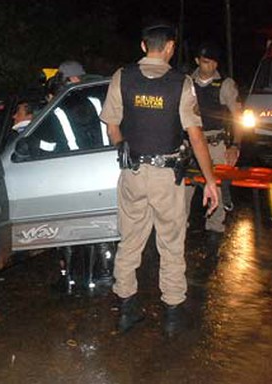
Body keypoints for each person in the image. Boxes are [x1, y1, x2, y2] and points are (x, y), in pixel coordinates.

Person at [100, 22, 219, 337]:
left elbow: (112, 127)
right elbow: (195, 136)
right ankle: (172, 317)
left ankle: (126, 311)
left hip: (132, 174)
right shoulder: (181, 84)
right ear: (170, 47)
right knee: (170, 243)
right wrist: (211, 180)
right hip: (167, 177)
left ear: (143, 46)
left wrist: (123, 147)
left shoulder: (121, 77)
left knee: (129, 242)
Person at [186, 42, 242, 245]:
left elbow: (238, 116)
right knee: (184, 189)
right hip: (190, 143)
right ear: (197, 61)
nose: (210, 66)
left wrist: (235, 145)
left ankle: (215, 233)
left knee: (217, 188)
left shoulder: (225, 84)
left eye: (213, 62)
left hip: (215, 143)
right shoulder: (186, 83)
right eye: (206, 62)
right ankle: (179, 229)